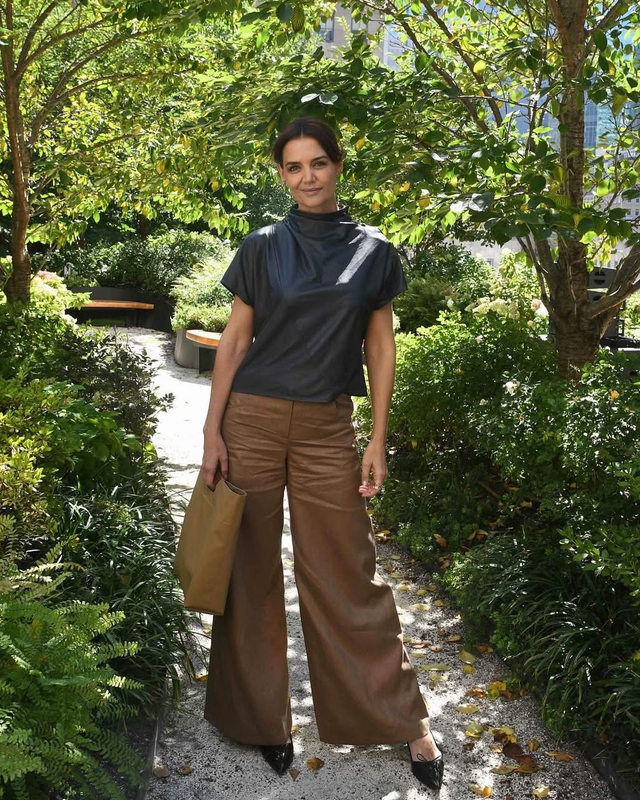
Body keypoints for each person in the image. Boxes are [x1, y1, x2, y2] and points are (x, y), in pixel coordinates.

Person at [199, 115, 444, 791]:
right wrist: (212, 431)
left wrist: (378, 437)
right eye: (293, 166)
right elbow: (236, 340)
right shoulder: (262, 245)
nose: (306, 177)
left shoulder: (375, 251)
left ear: (338, 165)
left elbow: (379, 346)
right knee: (248, 570)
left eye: (317, 163)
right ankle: (262, 720)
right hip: (250, 420)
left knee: (347, 571)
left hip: (326, 427)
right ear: (281, 175)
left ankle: (404, 719)